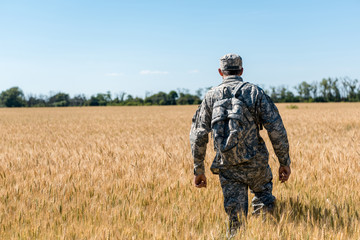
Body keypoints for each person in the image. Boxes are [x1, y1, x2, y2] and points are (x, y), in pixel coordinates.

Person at [189, 53, 291, 236]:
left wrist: (199, 170)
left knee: (235, 220)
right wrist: (284, 162)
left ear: (220, 72)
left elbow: (198, 135)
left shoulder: (210, 96)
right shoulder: (254, 92)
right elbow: (276, 129)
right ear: (242, 70)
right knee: (263, 200)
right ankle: (265, 234)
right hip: (256, 162)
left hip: (227, 165)